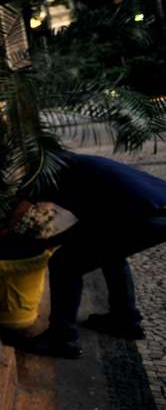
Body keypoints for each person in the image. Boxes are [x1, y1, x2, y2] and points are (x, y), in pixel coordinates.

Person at [21, 151, 166, 358]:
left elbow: (17, 214)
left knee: (65, 264)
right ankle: (124, 319)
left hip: (145, 215)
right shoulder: (76, 168)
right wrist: (50, 242)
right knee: (111, 253)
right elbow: (93, 225)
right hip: (155, 209)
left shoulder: (47, 175)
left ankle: (61, 339)